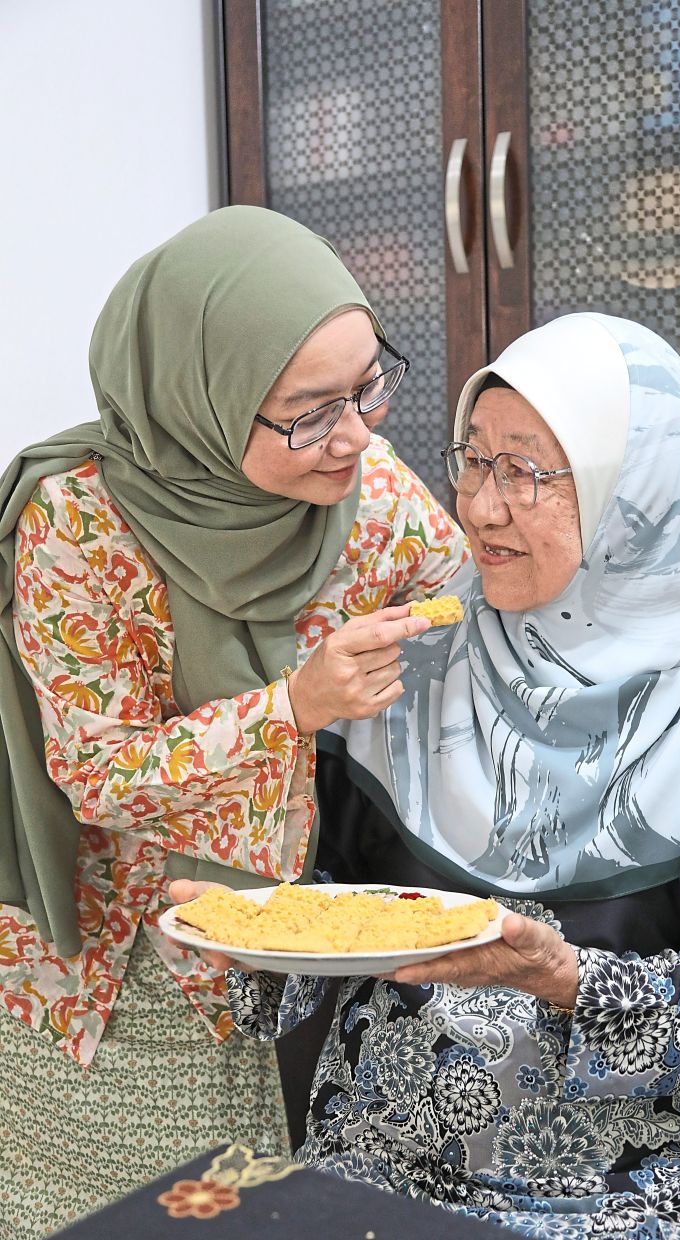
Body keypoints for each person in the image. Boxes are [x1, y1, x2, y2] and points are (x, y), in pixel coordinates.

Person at [217, 314, 680, 1238]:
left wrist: (563, 977)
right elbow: (318, 911)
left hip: (622, 1205)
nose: (483, 508)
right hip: (376, 1178)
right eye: (474, 459)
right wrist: (239, 934)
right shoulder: (410, 665)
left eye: (527, 472)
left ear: (636, 492)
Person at [0, 205, 469, 1237]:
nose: (357, 433)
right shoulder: (80, 523)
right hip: (110, 964)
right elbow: (96, 768)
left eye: (367, 386)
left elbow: (499, 619)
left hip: (281, 955)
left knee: (232, 1215)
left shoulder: (368, 492)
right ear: (198, 401)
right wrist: (294, 705)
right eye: (309, 412)